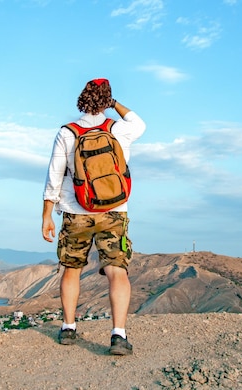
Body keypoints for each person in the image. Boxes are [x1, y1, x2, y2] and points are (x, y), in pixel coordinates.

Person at [41, 78, 146, 355]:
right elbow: (140, 123)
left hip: (76, 213)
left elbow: (54, 176)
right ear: (106, 100)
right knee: (117, 270)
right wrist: (114, 105)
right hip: (114, 211)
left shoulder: (67, 133)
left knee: (71, 269)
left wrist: (47, 215)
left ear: (81, 99)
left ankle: (68, 328)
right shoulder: (119, 130)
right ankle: (118, 335)